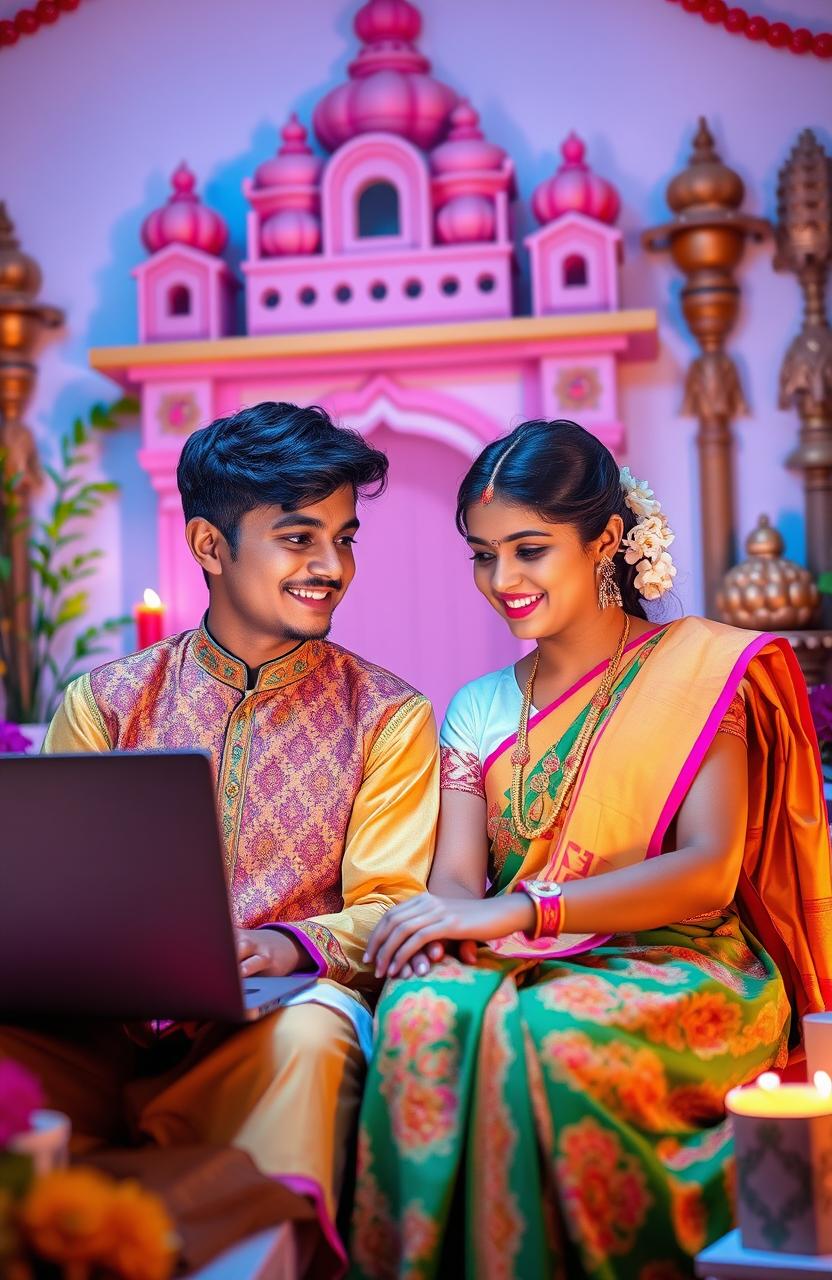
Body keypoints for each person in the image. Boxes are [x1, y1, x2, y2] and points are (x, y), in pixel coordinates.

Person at [351, 419, 832, 1280]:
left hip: (687, 956)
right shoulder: (478, 708)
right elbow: (460, 876)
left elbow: (709, 872)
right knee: (421, 1012)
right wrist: (445, 927)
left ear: (606, 538)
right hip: (515, 947)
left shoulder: (696, 673)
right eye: (482, 554)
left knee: (552, 1034)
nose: (502, 581)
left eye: (529, 550)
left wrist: (527, 908)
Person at [0, 401, 439, 1276]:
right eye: (298, 538)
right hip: (101, 1030)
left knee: (316, 1036)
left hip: (266, 1036)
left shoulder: (389, 716)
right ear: (209, 546)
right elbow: (47, 891)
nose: (331, 567)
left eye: (344, 538)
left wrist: (283, 945)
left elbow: (391, 905)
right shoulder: (106, 702)